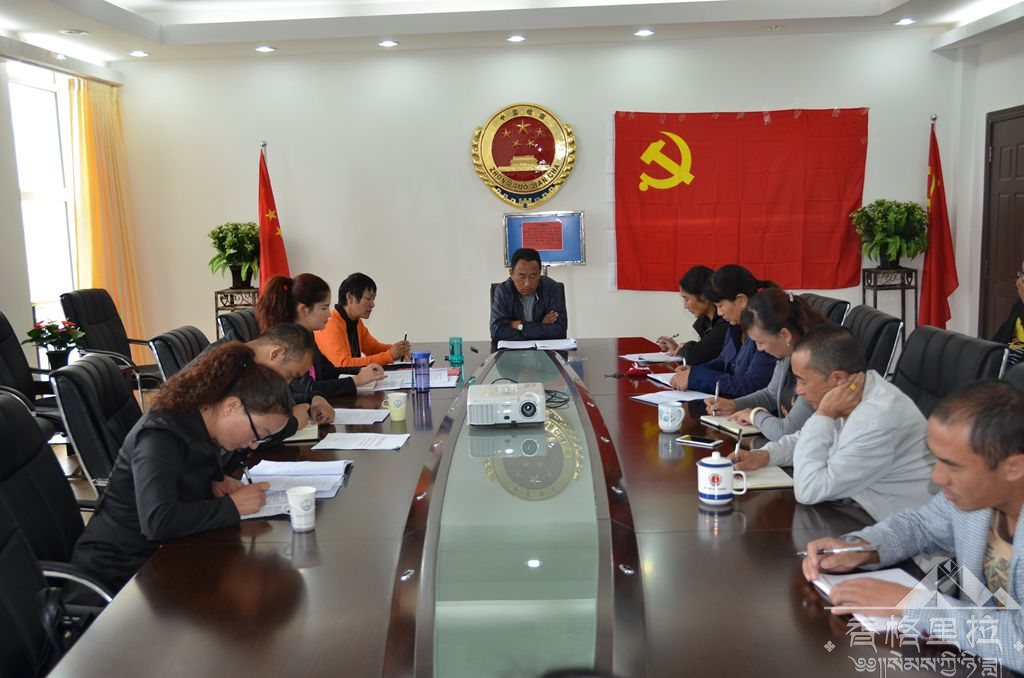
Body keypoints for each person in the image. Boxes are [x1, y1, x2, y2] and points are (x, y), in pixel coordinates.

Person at [801, 381, 1024, 672]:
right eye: (936, 460)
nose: (937, 478)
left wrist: (913, 604)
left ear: (1013, 467)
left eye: (953, 466)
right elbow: (922, 526)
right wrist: (861, 549)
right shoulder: (978, 498)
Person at [71, 342, 293, 592]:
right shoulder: (160, 435)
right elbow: (157, 521)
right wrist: (232, 506)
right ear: (232, 406)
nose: (253, 444)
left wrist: (214, 483)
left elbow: (183, 476)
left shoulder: (200, 423)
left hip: (166, 556)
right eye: (258, 433)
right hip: (120, 574)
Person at [736, 324, 934, 521]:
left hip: (899, 527)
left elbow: (808, 490)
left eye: (803, 381)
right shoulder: (854, 390)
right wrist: (766, 455)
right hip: (860, 505)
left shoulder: (878, 419)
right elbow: (805, 438)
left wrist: (824, 414)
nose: (798, 391)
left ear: (838, 379)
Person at [705, 288, 829, 441]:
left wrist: (754, 415)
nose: (759, 349)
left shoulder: (817, 365)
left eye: (761, 342)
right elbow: (771, 394)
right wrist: (734, 405)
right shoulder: (789, 351)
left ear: (785, 335)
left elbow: (785, 431)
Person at [257, 273, 385, 397]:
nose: (329, 314)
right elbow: (308, 389)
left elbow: (328, 370)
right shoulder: (287, 343)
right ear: (303, 309)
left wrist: (360, 370)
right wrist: (357, 380)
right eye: (324, 308)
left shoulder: (308, 335)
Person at [669, 264, 776, 398]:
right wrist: (694, 371)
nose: (719, 313)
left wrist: (697, 377)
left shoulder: (766, 333)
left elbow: (751, 386)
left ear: (741, 300)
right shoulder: (734, 326)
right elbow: (723, 362)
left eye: (720, 305)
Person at [315, 273, 412, 367]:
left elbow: (373, 348)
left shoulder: (355, 321)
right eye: (368, 298)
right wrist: (390, 355)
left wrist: (397, 349)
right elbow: (343, 364)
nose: (372, 304)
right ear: (350, 298)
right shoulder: (331, 324)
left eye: (373, 299)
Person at [655, 265, 729, 365]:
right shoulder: (706, 322)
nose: (685, 306)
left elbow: (695, 358)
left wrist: (686, 347)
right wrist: (678, 349)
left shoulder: (724, 323)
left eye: (687, 299)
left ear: (704, 296)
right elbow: (702, 354)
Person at [490, 247, 568, 341]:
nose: (527, 283)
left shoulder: (552, 288)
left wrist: (520, 326)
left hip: (545, 348)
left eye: (533, 276)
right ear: (511, 273)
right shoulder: (503, 291)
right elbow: (497, 331)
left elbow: (559, 331)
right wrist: (541, 326)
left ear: (539, 273)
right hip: (512, 349)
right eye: (522, 276)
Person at [991, 262, 1024, 367]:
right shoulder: (1019, 303)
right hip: (1010, 351)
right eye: (1022, 274)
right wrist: (987, 348)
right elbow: (1004, 331)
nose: (1020, 281)